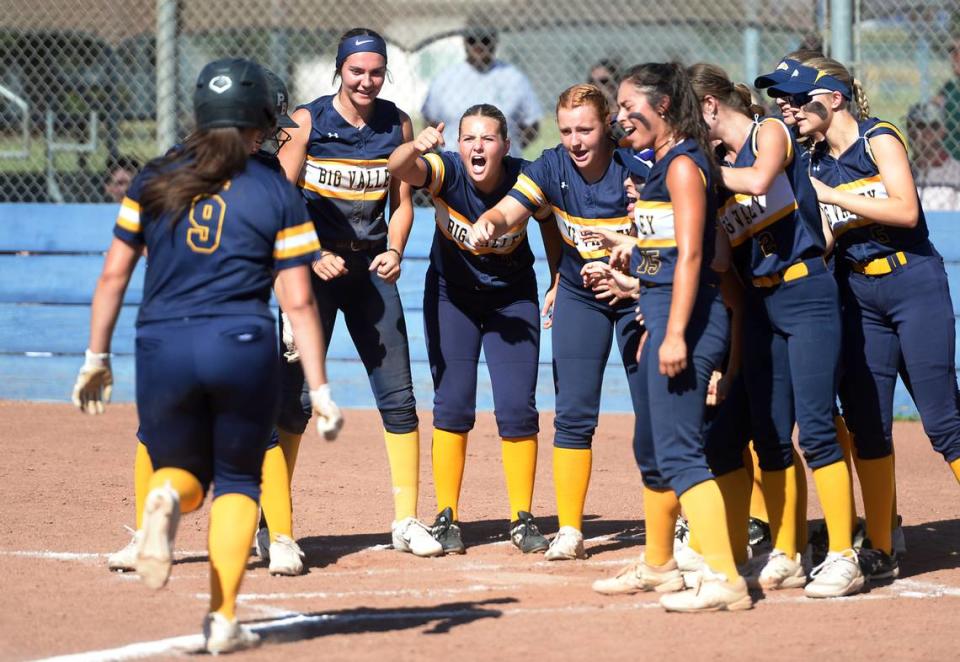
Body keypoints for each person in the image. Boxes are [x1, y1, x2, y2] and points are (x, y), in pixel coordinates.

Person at [71, 58, 342, 654]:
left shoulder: (153, 176)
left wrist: (96, 354)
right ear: (255, 125)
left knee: (182, 470)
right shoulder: (273, 186)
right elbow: (297, 299)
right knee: (240, 479)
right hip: (240, 343)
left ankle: (164, 502)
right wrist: (319, 387)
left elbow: (114, 275)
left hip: (162, 343)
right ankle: (222, 619)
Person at [104, 66, 307, 577]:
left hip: (172, 328)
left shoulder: (171, 169)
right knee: (252, 436)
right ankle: (276, 539)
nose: (271, 133)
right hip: (234, 328)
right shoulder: (263, 181)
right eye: (266, 122)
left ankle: (270, 534)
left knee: (157, 431)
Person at [693, 62, 866, 598]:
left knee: (814, 429)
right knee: (768, 432)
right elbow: (723, 256)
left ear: (710, 107)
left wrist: (700, 175)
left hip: (806, 291)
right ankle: (788, 552)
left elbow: (762, 179)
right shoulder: (718, 164)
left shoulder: (769, 132)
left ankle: (843, 555)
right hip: (763, 302)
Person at [782, 57, 960, 575]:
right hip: (858, 292)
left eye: (800, 100)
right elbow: (829, 237)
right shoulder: (810, 161)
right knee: (868, 426)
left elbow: (906, 210)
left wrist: (833, 197)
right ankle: (881, 547)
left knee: (943, 419)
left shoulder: (878, 137)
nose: (791, 110)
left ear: (833, 98)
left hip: (912, 282)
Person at [583, 62, 750, 612]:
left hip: (690, 320)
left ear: (664, 108)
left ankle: (725, 577)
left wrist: (674, 331)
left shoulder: (682, 166)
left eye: (632, 106)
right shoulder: (660, 167)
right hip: (662, 313)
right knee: (651, 448)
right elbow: (665, 253)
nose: (622, 116)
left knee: (680, 453)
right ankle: (659, 566)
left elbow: (696, 258)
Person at [275, 28, 442, 558]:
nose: (366, 81)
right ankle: (274, 527)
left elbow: (404, 203)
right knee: (296, 399)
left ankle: (406, 520)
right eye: (356, 71)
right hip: (315, 270)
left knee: (398, 396)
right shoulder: (306, 120)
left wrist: (395, 249)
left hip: (370, 268)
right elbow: (280, 200)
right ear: (339, 70)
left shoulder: (397, 123)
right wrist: (307, 255)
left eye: (375, 71)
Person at [465, 83, 643, 561]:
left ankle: (682, 521)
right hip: (581, 296)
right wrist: (491, 223)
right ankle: (570, 528)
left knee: (657, 413)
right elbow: (513, 207)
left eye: (585, 129)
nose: (575, 141)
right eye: (566, 130)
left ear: (607, 125)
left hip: (640, 296)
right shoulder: (551, 164)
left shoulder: (638, 165)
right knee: (573, 414)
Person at [387, 104, 555, 554]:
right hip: (452, 296)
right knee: (453, 403)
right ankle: (447, 517)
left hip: (512, 297)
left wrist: (558, 277)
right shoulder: (446, 170)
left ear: (505, 145)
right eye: (468, 138)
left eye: (487, 139)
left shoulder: (525, 179)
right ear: (458, 145)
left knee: (518, 407)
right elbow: (400, 167)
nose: (477, 146)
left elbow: (550, 224)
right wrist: (415, 147)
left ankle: (521, 517)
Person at [421, 26, 541, 158]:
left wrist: (505, 151)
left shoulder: (514, 77)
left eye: (485, 40)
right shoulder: (445, 78)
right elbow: (430, 122)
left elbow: (532, 125)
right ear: (465, 42)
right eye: (472, 40)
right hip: (453, 163)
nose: (479, 45)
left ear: (495, 41)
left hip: (504, 165)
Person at [905, 101, 960, 211]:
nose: (917, 133)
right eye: (911, 126)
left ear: (942, 131)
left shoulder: (955, 172)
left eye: (923, 126)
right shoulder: (903, 171)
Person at [936, 40, 960, 162]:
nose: (954, 58)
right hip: (948, 159)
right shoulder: (949, 87)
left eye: (958, 52)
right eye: (953, 53)